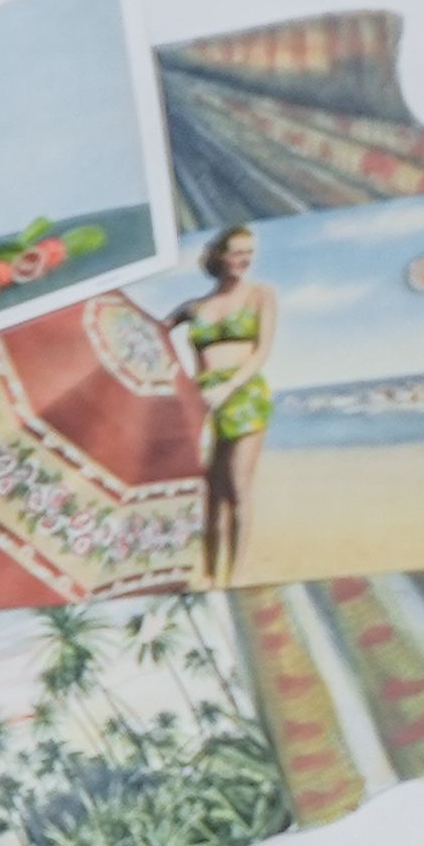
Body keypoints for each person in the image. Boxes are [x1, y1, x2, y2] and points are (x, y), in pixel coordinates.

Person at [167, 223, 280, 580]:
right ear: (220, 255)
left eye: (249, 253)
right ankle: (212, 576)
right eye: (236, 252)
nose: (244, 259)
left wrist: (227, 387)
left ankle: (236, 576)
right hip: (202, 400)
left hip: (242, 393)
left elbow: (261, 352)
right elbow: (151, 333)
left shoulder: (261, 295)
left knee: (237, 486)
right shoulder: (194, 306)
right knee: (211, 495)